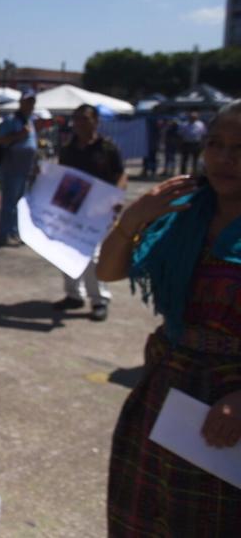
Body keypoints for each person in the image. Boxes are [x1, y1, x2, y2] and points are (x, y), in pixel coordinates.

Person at [96, 100, 241, 535]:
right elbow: (108, 271)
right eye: (215, 144)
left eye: (240, 148)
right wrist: (134, 220)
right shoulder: (184, 209)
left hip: (230, 410)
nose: (224, 158)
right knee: (150, 514)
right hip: (169, 396)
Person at [51, 105, 126, 321]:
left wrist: (117, 197)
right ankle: (73, 295)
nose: (79, 124)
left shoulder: (107, 148)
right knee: (67, 253)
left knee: (93, 257)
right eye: (76, 119)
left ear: (95, 121)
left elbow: (121, 174)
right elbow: (62, 176)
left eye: (84, 119)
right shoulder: (68, 149)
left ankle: (99, 299)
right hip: (72, 208)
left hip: (98, 211)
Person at [0, 91, 38, 246]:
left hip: (26, 168)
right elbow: (0, 140)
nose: (30, 105)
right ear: (21, 102)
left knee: (21, 204)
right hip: (12, 167)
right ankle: (3, 234)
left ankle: (15, 231)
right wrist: (19, 135)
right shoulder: (11, 120)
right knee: (9, 203)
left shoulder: (30, 121)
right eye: (28, 101)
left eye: (32, 101)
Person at [178, 110, 207, 175]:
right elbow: (180, 135)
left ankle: (194, 174)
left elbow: (203, 135)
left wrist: (203, 145)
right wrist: (180, 145)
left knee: (195, 160)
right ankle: (183, 174)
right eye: (191, 117)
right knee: (184, 160)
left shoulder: (200, 124)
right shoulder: (184, 124)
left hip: (196, 144)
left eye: (194, 117)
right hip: (186, 144)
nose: (193, 118)